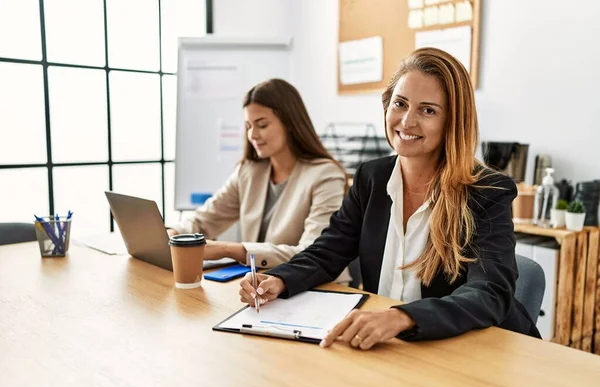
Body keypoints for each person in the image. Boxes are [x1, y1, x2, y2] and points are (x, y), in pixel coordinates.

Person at [239, 48, 541, 349]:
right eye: (400, 103)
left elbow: (489, 292)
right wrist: (279, 280)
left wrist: (403, 317)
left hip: (474, 350)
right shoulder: (372, 177)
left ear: (452, 122)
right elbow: (328, 251)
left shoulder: (486, 190)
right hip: (395, 348)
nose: (407, 121)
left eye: (428, 110)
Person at [168, 79, 347, 270]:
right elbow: (205, 219)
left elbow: (313, 253)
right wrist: (175, 232)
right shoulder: (249, 171)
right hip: (261, 284)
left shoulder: (326, 175)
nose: (253, 135)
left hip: (316, 287)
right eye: (248, 126)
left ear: (290, 123)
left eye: (261, 125)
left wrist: (229, 249)